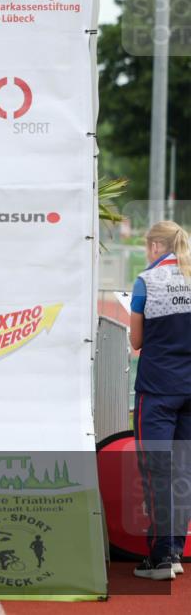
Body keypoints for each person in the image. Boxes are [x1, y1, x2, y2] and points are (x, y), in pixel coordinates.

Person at [129, 220, 191, 581]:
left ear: (156, 246)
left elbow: (136, 341)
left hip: (157, 390)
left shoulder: (147, 281)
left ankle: (161, 556)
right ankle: (176, 552)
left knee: (158, 472)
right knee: (183, 471)